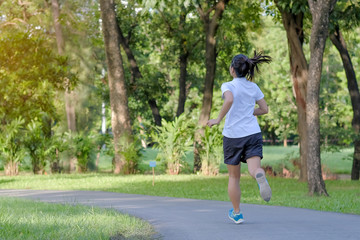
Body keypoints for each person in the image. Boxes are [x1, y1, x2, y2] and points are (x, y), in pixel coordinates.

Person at [207, 51, 272, 224]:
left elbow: (229, 100)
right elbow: (265, 109)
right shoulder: (253, 87)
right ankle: (260, 175)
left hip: (233, 136)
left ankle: (237, 213)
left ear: (232, 70)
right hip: (252, 133)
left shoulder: (228, 85)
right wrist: (249, 111)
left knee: (234, 177)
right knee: (254, 169)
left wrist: (218, 119)